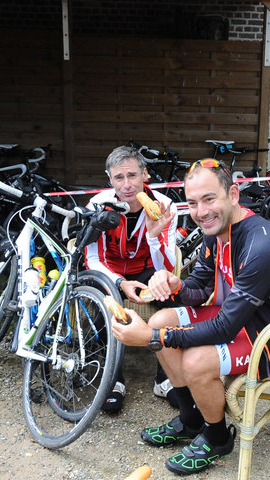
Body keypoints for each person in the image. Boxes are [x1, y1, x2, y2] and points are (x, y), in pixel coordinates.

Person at [111, 158, 270, 475]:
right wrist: (176, 284)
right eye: (193, 203)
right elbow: (199, 288)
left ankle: (216, 437)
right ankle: (191, 420)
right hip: (247, 321)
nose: (201, 211)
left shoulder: (260, 245)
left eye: (209, 199)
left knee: (192, 358)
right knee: (160, 319)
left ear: (234, 196)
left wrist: (152, 339)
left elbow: (224, 327)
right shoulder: (216, 230)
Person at [84, 144, 179, 413]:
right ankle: (112, 380)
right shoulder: (98, 205)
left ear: (145, 175)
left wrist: (153, 236)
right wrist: (119, 283)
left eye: (132, 176)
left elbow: (169, 266)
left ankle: (165, 378)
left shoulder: (166, 206)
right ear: (109, 179)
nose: (126, 185)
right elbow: (93, 259)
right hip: (110, 270)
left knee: (171, 296)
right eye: (118, 178)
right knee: (103, 300)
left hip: (148, 269)